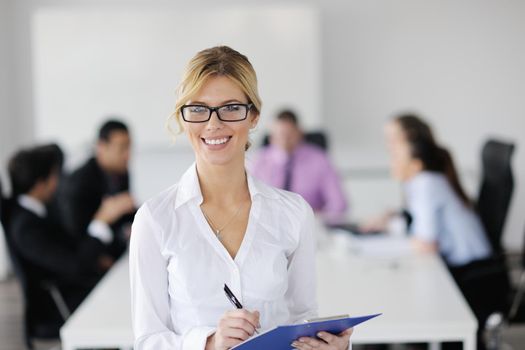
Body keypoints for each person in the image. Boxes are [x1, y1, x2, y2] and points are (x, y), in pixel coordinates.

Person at [130, 46, 353, 350]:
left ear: (254, 116)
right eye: (198, 109)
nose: (213, 123)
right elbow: (147, 340)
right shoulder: (155, 219)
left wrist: (328, 346)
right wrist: (208, 344)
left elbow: (303, 316)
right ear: (184, 119)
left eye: (231, 108)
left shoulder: (294, 213)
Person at [6, 144, 118, 327]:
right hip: (57, 305)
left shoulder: (41, 210)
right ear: (40, 184)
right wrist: (102, 221)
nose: (59, 181)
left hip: (70, 288)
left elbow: (69, 249)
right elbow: (75, 266)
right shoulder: (25, 228)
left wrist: (97, 257)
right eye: (54, 176)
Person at [250, 110, 348, 224]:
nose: (284, 141)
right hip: (270, 225)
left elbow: (339, 203)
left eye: (289, 135)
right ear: (271, 137)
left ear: (300, 133)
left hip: (311, 225)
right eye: (279, 135)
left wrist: (317, 218)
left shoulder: (319, 159)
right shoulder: (257, 161)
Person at [59, 119, 136, 259]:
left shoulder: (121, 172)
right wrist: (105, 217)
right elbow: (75, 240)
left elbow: (125, 214)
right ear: (101, 147)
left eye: (129, 147)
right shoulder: (78, 184)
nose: (128, 155)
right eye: (122, 148)